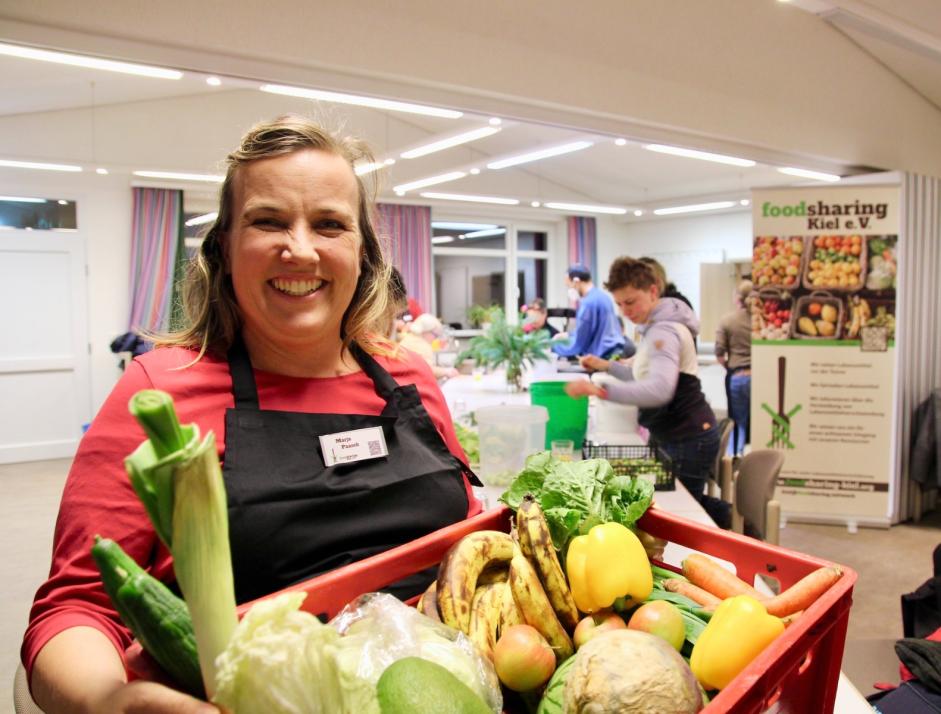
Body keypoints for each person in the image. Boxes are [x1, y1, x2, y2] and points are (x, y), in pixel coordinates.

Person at [22, 115, 481, 714]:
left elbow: (466, 533)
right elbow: (75, 609)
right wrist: (114, 702)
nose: (301, 248)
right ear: (224, 247)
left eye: (329, 225)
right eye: (268, 221)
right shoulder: (161, 392)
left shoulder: (408, 376)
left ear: (362, 252)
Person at [564, 257, 730, 528]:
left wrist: (600, 390)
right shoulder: (654, 327)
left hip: (688, 437)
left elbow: (659, 390)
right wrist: (606, 366)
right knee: (682, 503)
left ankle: (739, 524)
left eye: (630, 302)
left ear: (653, 291)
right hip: (677, 433)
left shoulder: (663, 331)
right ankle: (736, 522)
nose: (625, 311)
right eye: (619, 304)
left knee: (684, 510)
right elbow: (640, 375)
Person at [551, 263, 634, 360]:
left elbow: (578, 345)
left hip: (604, 356)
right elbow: (594, 330)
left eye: (569, 286)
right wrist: (569, 335)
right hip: (615, 352)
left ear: (576, 281)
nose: (569, 290)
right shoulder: (603, 297)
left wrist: (554, 346)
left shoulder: (588, 304)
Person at [715, 279, 753, 455]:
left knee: (738, 422)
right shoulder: (760, 319)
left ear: (737, 297)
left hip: (737, 377)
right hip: (760, 377)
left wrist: (731, 368)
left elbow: (719, 353)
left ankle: (734, 458)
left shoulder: (727, 320)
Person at [399, 312, 460, 380]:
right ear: (426, 331)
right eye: (435, 335)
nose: (435, 339)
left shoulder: (408, 339)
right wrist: (446, 371)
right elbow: (427, 370)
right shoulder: (421, 345)